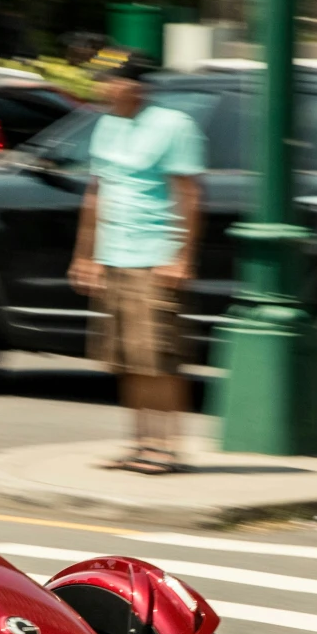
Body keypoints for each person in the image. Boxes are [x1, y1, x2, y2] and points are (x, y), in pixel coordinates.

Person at [67, 56, 204, 475]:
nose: (104, 88)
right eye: (102, 81)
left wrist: (181, 255)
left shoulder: (173, 125)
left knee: (158, 359)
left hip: (154, 257)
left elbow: (189, 194)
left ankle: (167, 447)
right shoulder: (107, 125)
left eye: (112, 81)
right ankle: (140, 444)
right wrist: (85, 255)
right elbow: (96, 193)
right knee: (125, 359)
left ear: (134, 85)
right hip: (115, 256)